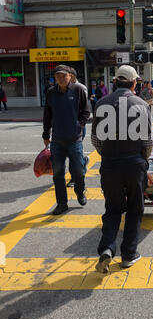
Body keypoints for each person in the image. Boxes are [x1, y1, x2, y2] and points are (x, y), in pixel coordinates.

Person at [91, 65, 153, 273]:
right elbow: (147, 142)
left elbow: (96, 139)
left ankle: (107, 248)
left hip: (110, 164)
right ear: (135, 83)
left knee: (113, 209)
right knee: (135, 209)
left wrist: (108, 155)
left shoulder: (101, 103)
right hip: (134, 163)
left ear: (115, 82)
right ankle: (128, 255)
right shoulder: (141, 104)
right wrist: (142, 160)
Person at [42, 64, 90, 215]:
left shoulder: (78, 90)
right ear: (55, 78)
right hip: (57, 140)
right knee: (57, 174)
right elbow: (47, 115)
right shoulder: (51, 92)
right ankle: (62, 203)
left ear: (70, 76)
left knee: (79, 171)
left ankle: (80, 191)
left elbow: (86, 111)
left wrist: (79, 125)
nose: (61, 79)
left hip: (74, 139)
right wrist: (45, 134)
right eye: (58, 76)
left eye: (64, 76)